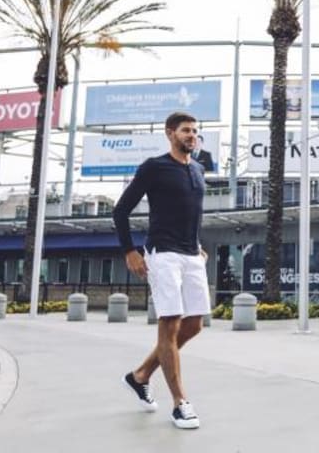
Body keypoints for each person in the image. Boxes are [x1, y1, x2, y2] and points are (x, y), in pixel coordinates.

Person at [112, 112, 209, 429]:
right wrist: (130, 250)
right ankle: (180, 403)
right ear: (170, 134)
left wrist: (197, 244)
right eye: (185, 131)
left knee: (194, 325)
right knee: (170, 324)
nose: (191, 135)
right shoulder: (154, 167)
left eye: (195, 131)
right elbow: (121, 210)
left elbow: (191, 213)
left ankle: (140, 376)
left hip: (192, 254)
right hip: (163, 254)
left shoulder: (198, 169)